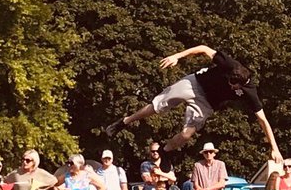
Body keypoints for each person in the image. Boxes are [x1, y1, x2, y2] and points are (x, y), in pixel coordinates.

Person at [110, 44, 281, 159]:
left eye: (231, 83)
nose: (228, 83)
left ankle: (164, 151)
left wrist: (275, 149)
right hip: (195, 83)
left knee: (186, 134)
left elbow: (263, 120)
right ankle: (125, 121)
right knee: (158, 105)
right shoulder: (230, 65)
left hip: (206, 103)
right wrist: (177, 56)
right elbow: (203, 48)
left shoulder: (249, 93)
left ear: (240, 85)